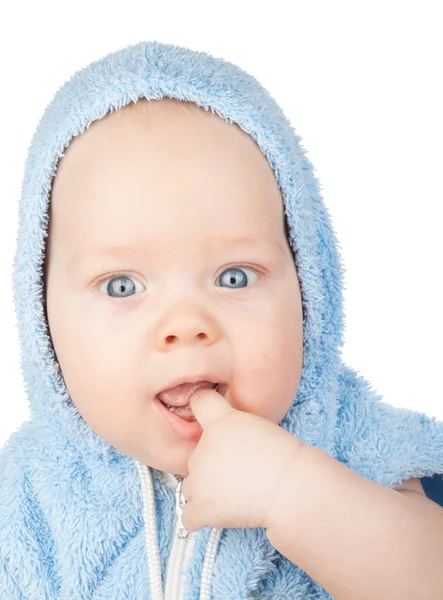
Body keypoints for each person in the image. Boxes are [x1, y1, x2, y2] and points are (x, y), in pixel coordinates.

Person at [1, 40, 442, 599]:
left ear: (309, 287)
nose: (186, 325)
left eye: (234, 277)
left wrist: (297, 493)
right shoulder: (27, 502)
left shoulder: (361, 453)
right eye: (122, 286)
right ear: (43, 323)